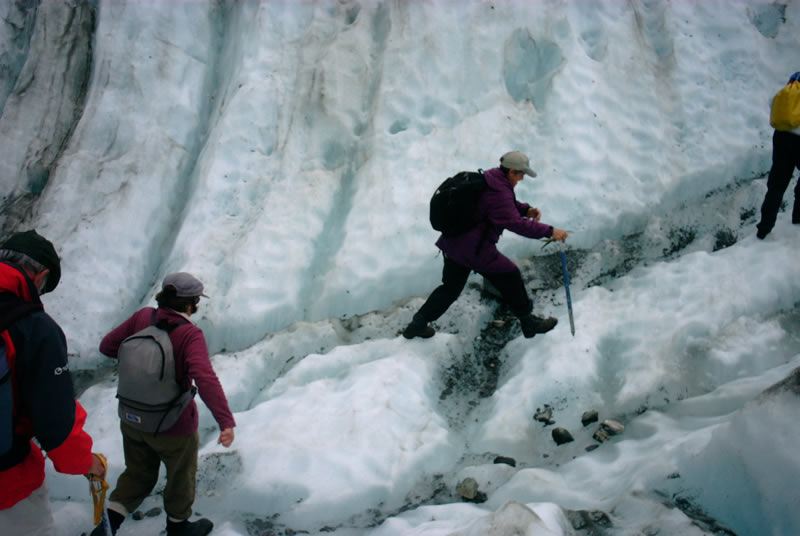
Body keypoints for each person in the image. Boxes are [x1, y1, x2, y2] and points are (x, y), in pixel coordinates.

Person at [91, 272, 236, 536]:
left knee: (138, 474)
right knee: (180, 477)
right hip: (173, 426)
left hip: (131, 418)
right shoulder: (189, 335)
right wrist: (225, 422)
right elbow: (204, 377)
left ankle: (106, 528)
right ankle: (178, 527)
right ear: (191, 304)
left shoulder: (142, 317)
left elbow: (108, 346)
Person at [0, 230, 106, 536]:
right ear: (40, 276)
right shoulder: (33, 327)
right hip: (9, 485)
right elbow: (56, 423)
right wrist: (87, 462)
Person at [403, 151, 568, 340]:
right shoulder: (499, 191)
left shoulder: (491, 179)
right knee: (511, 275)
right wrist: (550, 231)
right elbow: (515, 223)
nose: (522, 178)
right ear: (512, 171)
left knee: (449, 288)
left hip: (454, 244)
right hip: (475, 250)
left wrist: (526, 209)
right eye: (521, 174)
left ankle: (417, 325)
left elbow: (505, 204)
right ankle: (529, 323)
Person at [757, 71, 800, 240]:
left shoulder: (792, 84)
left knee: (776, 185)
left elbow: (773, 104)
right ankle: (798, 217)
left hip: (782, 136)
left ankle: (764, 229)